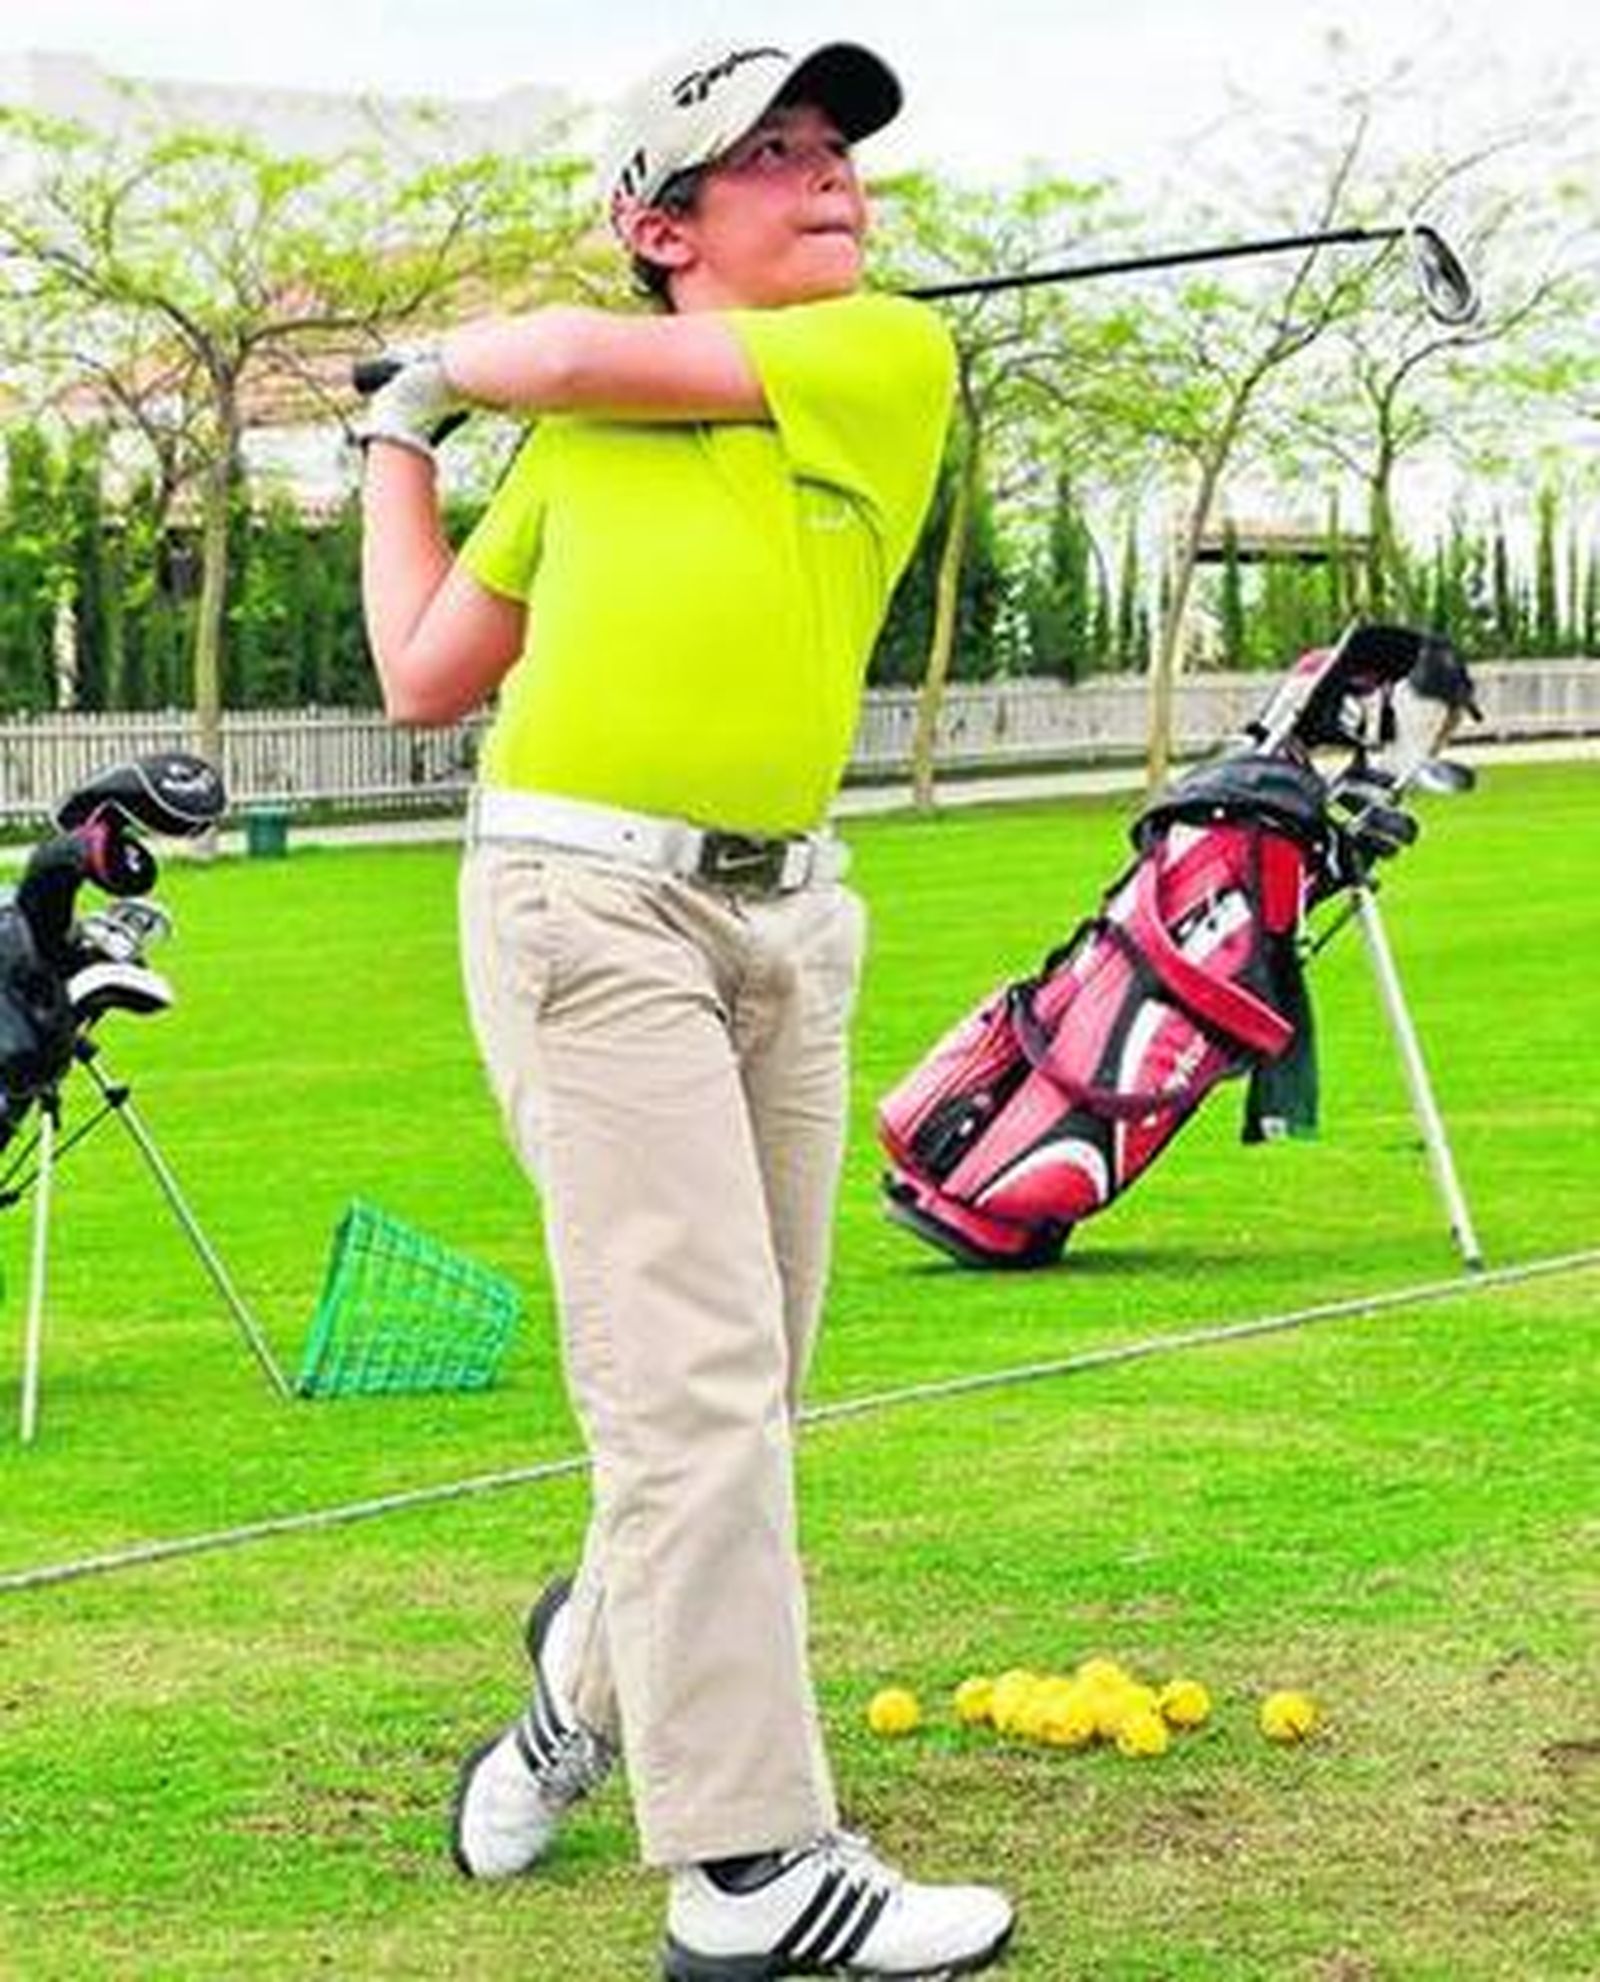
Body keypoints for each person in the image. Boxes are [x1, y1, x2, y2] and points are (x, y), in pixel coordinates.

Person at [356, 37, 1016, 1980]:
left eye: (836, 151)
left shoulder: (881, 357)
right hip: (582, 908)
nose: (829, 179)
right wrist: (391, 447)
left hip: (785, 930)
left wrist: (433, 365)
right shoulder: (573, 453)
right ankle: (747, 1875)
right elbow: (419, 670)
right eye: (772, 157)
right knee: (697, 1384)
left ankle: (578, 1681)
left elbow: (553, 356)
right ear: (662, 225)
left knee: (735, 1394)